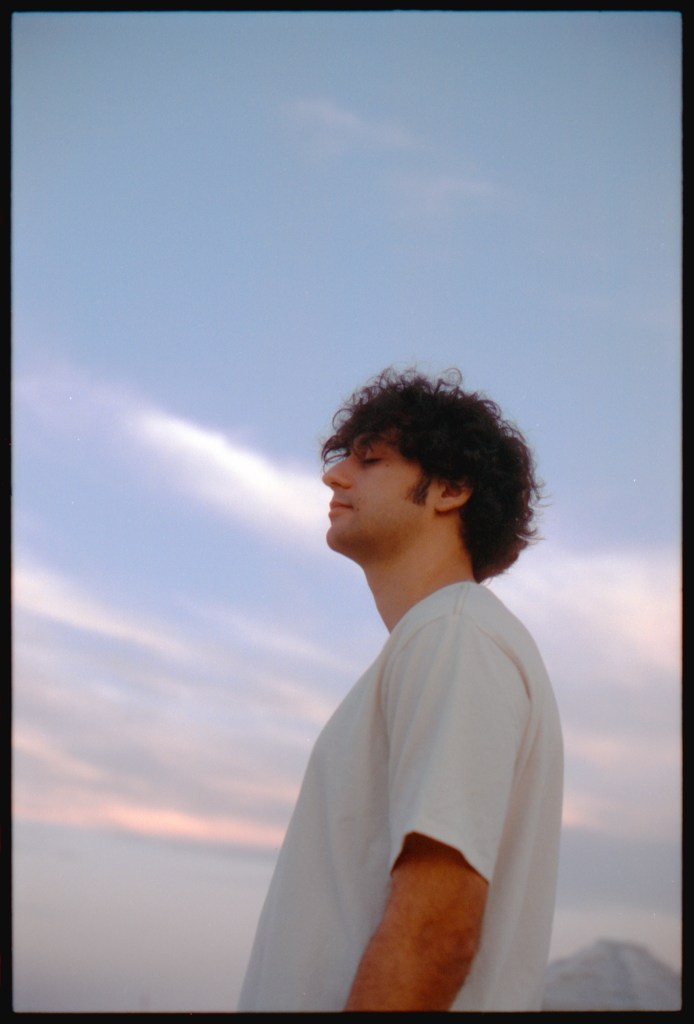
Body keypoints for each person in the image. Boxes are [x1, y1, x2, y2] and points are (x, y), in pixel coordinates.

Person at [237, 368, 563, 1012]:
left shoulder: (454, 635)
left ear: (451, 488)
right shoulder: (440, 640)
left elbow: (434, 932)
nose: (334, 478)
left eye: (370, 460)